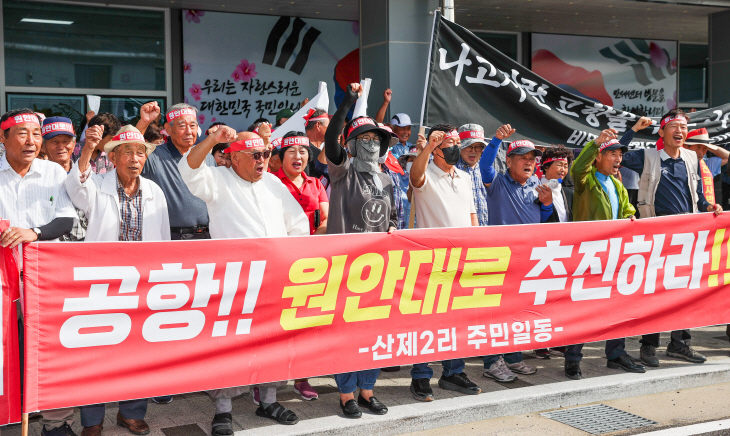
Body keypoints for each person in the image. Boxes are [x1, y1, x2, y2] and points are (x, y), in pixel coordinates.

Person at [179, 126, 307, 433]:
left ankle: (269, 400)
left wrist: (291, 262)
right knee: (230, 347)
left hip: (275, 281)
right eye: (254, 155)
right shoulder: (218, 180)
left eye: (264, 154)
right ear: (233, 158)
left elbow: (298, 225)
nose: (262, 161)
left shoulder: (274, 183)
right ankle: (223, 408)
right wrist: (211, 139)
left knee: (274, 344)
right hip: (235, 284)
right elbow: (188, 168)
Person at [65, 124, 169, 436]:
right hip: (102, 281)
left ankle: (131, 412)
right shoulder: (96, 184)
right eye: (128, 152)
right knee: (96, 352)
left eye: (141, 153)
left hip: (142, 284)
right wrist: (86, 149)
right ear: (112, 158)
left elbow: (163, 240)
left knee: (138, 351)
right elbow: (76, 189)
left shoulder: (155, 191)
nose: (136, 158)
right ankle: (92, 420)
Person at [621, 110, 722, 367]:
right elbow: (617, 153)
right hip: (656, 235)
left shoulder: (691, 157)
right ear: (662, 132)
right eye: (674, 126)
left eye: (683, 127)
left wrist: (709, 206)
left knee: (685, 292)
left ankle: (680, 344)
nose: (680, 131)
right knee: (655, 292)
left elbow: (697, 196)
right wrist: (634, 129)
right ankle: (648, 346)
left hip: (687, 237)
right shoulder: (648, 156)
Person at [0, 109, 75, 436]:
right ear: (2, 138)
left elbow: (66, 219)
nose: (31, 141)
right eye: (21, 133)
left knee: (49, 352)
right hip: (2, 282)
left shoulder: (53, 172)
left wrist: (34, 231)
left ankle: (57, 422)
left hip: (41, 278)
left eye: (35, 133)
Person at [324, 83, 393, 418]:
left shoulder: (386, 178)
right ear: (351, 145)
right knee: (346, 333)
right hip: (345, 268)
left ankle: (368, 390)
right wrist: (348, 102)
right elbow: (330, 138)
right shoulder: (343, 169)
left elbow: (391, 217)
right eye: (364, 139)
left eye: (376, 140)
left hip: (378, 268)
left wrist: (394, 229)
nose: (371, 144)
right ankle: (346, 394)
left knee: (373, 330)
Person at [407, 124, 481, 401]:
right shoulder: (426, 172)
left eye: (456, 142)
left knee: (457, 321)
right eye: (448, 143)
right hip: (433, 259)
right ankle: (420, 377)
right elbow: (415, 177)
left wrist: (476, 253)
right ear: (436, 148)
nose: (454, 148)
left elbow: (472, 216)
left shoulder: (464, 176)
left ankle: (453, 372)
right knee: (428, 322)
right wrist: (426, 147)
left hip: (463, 259)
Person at [566, 130, 645, 379]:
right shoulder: (586, 181)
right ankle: (572, 358)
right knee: (583, 310)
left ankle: (616, 354)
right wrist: (595, 143)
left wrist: (630, 217)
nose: (618, 159)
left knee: (617, 307)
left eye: (620, 154)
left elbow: (627, 209)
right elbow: (577, 168)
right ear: (598, 157)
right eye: (612, 153)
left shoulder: (617, 184)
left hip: (614, 256)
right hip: (588, 255)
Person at [479, 126, 549, 383]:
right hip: (499, 257)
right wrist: (496, 139)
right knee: (496, 312)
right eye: (523, 158)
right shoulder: (497, 181)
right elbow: (485, 166)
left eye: (532, 159)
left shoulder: (535, 185)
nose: (529, 163)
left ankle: (512, 357)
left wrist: (548, 204)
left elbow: (540, 219)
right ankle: (491, 362)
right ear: (509, 161)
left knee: (518, 311)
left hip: (526, 258)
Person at [136, 102, 211, 240]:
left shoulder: (208, 157)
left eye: (193, 125)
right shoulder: (155, 156)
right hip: (171, 238)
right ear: (168, 129)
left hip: (208, 236)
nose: (189, 131)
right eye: (182, 126)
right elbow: (133, 150)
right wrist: (144, 122)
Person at [532, 144, 573, 359]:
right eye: (559, 164)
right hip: (541, 250)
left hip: (562, 249)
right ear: (546, 165)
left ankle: (556, 339)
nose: (563, 170)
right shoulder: (535, 187)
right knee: (541, 299)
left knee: (558, 298)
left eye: (566, 166)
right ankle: (540, 342)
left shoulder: (565, 191)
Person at [41, 116, 88, 242]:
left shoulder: (87, 175)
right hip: (49, 248)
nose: (61, 146)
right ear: (43, 147)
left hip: (82, 248)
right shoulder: (35, 179)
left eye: (66, 141)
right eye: (54, 142)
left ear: (73, 145)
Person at [682, 128, 730, 206]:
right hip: (687, 213)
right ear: (686, 146)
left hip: (706, 213)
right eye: (698, 147)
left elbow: (728, 157)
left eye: (705, 148)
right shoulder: (676, 164)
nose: (701, 152)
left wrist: (707, 144)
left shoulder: (707, 164)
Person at [455, 123, 489, 226]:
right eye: (469, 146)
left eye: (478, 147)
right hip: (461, 229)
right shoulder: (451, 168)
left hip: (486, 228)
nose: (473, 151)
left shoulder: (487, 168)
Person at [304, 108, 328, 177]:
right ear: (318, 125)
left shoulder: (321, 150)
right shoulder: (303, 149)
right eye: (328, 126)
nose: (330, 130)